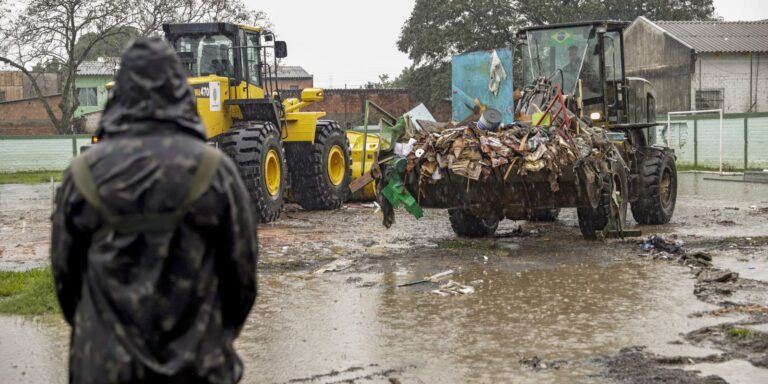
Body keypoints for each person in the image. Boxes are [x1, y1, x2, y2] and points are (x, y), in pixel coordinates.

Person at [51, 38, 258, 384]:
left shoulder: (82, 174)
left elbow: (66, 282)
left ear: (119, 94)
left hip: (104, 370)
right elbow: (242, 278)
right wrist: (212, 337)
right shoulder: (215, 172)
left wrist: (101, 336)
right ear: (180, 91)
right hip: (197, 369)